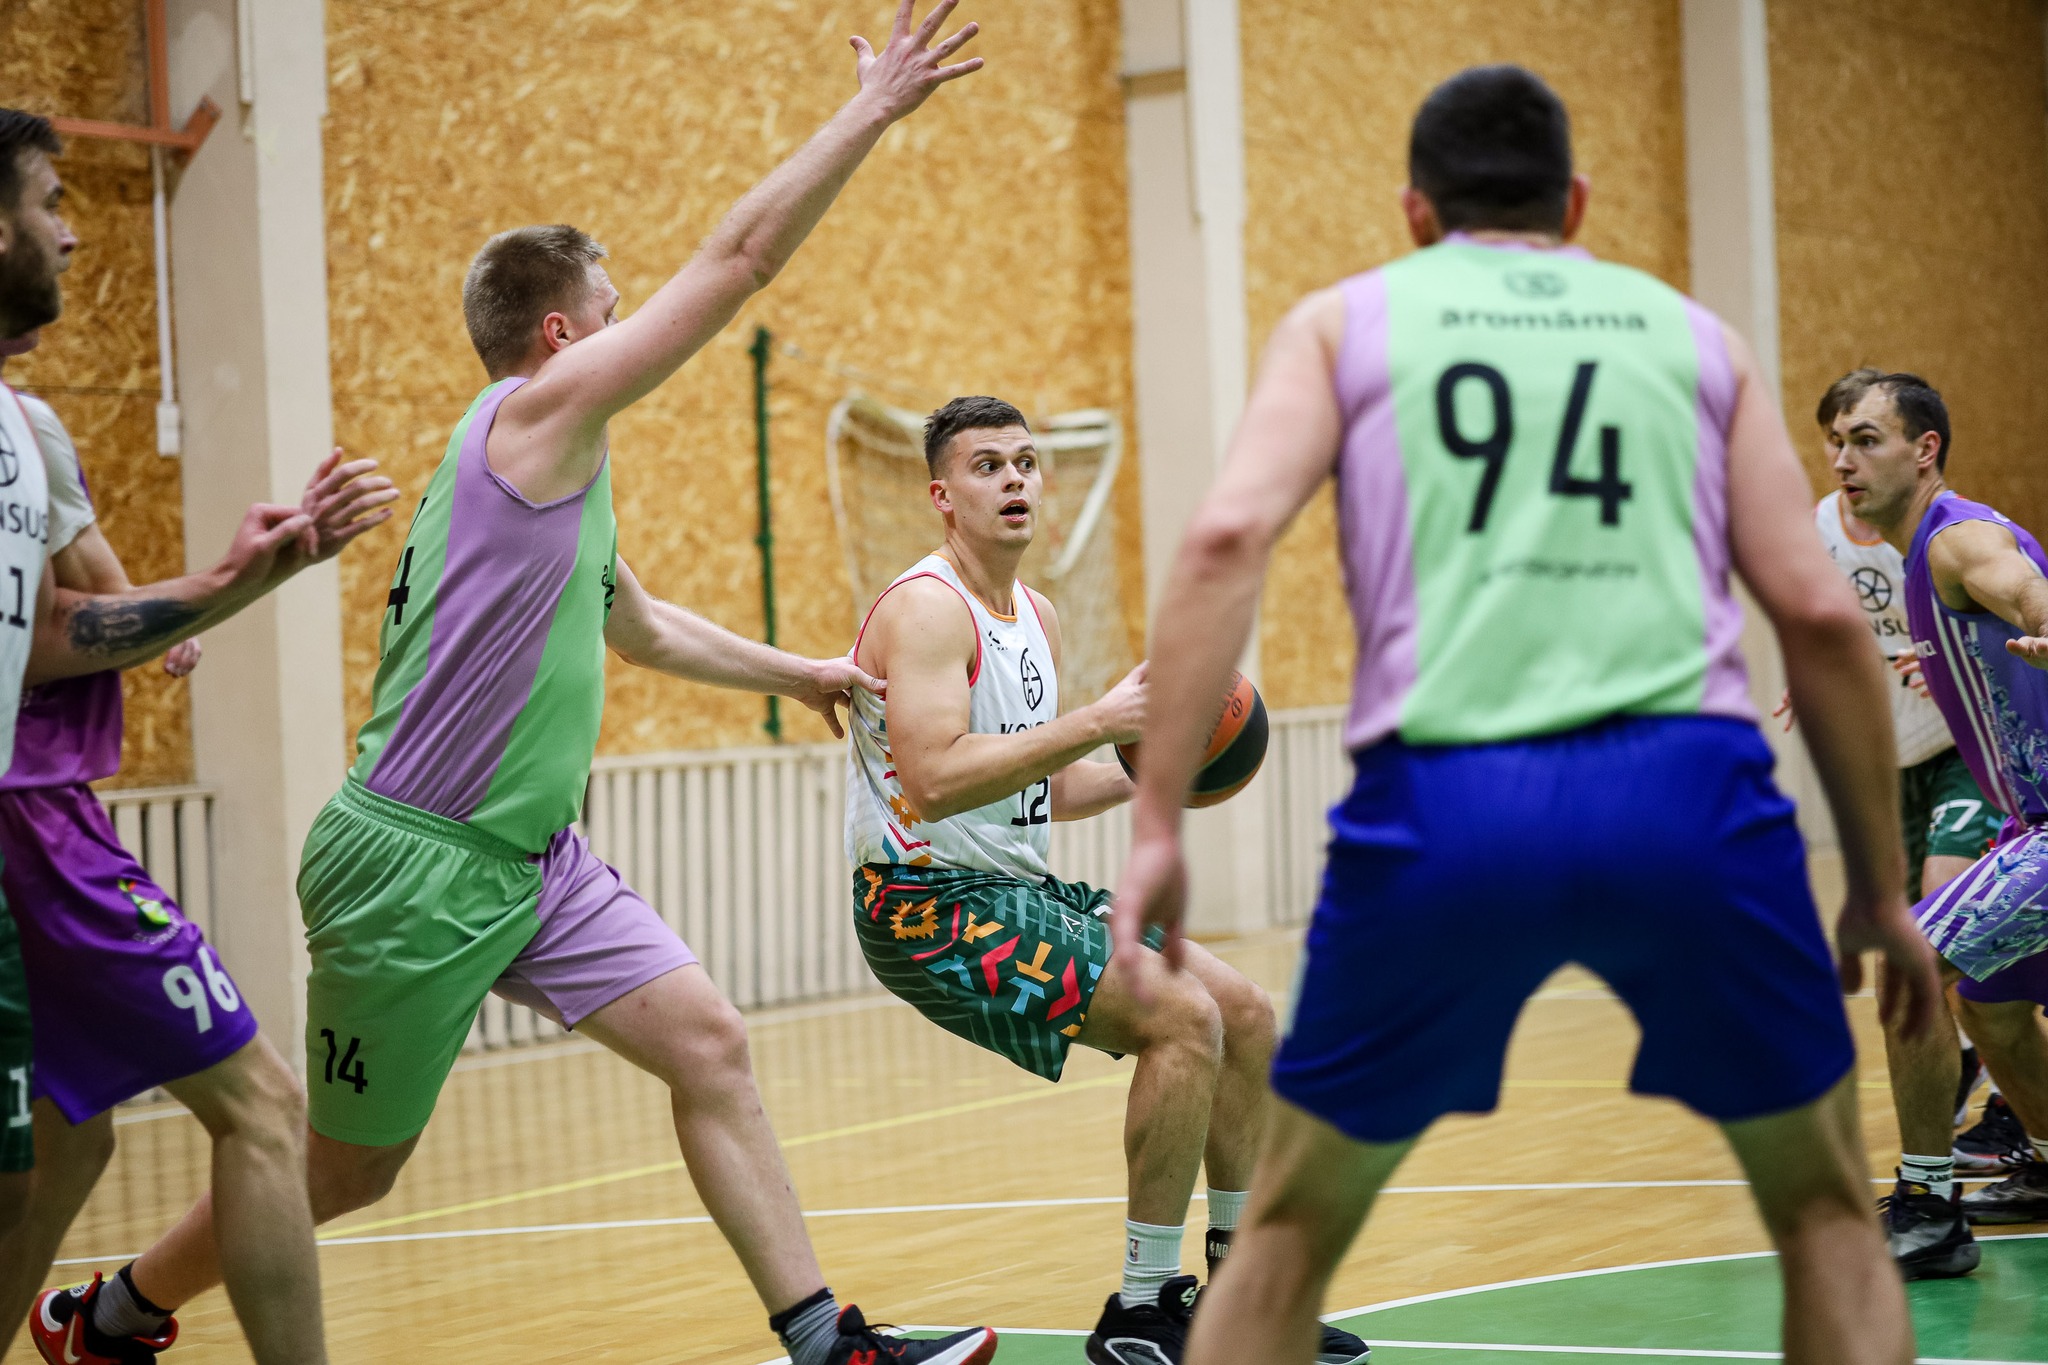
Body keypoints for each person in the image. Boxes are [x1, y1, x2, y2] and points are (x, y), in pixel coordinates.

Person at [100, 11, 998, 1365]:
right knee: (347, 1170)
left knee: (709, 1042)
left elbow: (637, 625)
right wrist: (871, 111)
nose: (637, 332)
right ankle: (115, 1311)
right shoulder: (533, 420)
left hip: (534, 861)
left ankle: (824, 1342)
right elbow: (740, 261)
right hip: (411, 868)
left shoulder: (560, 468)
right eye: (617, 316)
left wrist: (803, 672)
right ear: (566, 334)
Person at [1114, 65, 1942, 1365]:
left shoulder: (1345, 323)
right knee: (1830, 1214)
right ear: (1577, 202)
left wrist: (1161, 817)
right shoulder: (1692, 337)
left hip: (1445, 804)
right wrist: (1880, 890)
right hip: (1689, 795)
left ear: (1414, 211)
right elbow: (1820, 617)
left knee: (1282, 1241)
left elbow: (1224, 541)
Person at [842, 396, 1369, 1365]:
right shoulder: (926, 609)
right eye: (987, 465)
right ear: (942, 496)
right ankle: (1141, 1307)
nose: (1014, 479)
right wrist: (1096, 721)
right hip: (922, 906)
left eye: (1024, 461)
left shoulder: (1034, 615)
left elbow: (1035, 781)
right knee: (1182, 1016)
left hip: (1010, 890)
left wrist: (1156, 766)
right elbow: (935, 777)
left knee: (1247, 1013)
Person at [0, 109, 398, 1365]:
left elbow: (95, 604)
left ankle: (87, 1332)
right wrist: (235, 581)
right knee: (265, 1107)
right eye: (52, 201)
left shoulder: (28, 430)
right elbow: (61, 632)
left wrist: (195, 605)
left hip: (47, 814)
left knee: (68, 1144)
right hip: (30, 824)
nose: (71, 233)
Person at [1801, 370, 2027, 1279]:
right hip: (2011, 816)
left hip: (2028, 813)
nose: (1843, 460)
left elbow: (2013, 580)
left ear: (1924, 449)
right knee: (1991, 1000)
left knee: (1916, 962)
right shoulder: (1889, 554)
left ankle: (1929, 1207)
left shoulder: (1956, 536)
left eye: (1865, 440)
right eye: (1836, 442)